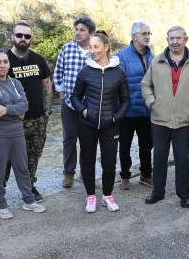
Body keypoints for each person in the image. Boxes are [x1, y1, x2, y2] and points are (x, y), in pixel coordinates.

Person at [141, 25, 189, 208]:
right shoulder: (157, 62)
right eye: (171, 38)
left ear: (185, 39)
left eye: (178, 38)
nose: (175, 42)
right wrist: (152, 103)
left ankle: (185, 195)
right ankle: (158, 192)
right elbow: (145, 85)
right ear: (167, 40)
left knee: (182, 159)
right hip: (159, 119)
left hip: (183, 120)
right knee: (159, 158)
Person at [70, 31, 131, 212]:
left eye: (96, 47)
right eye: (90, 47)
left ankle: (107, 196)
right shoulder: (85, 71)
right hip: (87, 124)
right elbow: (74, 96)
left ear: (106, 47)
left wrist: (116, 117)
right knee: (87, 161)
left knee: (109, 161)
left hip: (110, 125)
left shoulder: (119, 73)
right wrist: (84, 110)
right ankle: (90, 197)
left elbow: (126, 100)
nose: (93, 51)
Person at [0, 49, 46, 219]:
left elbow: (25, 106)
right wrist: (15, 111)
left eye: (5, 62)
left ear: (9, 64)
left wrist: (7, 109)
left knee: (22, 168)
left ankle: (28, 200)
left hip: (17, 133)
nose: (3, 65)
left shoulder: (16, 84)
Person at [1, 22, 53, 204]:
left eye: (27, 36)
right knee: (5, 157)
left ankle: (29, 186)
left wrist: (47, 111)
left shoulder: (38, 60)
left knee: (33, 155)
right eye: (19, 35)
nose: (23, 39)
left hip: (37, 119)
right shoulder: (3, 60)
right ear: (12, 37)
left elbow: (46, 84)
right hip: (12, 120)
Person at [53, 16, 96, 189]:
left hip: (89, 104)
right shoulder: (67, 48)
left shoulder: (96, 50)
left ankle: (86, 173)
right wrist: (62, 96)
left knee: (88, 140)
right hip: (69, 103)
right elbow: (58, 72)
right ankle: (69, 173)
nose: (78, 33)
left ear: (91, 33)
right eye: (76, 29)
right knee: (69, 139)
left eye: (82, 30)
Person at [116, 22, 155, 191]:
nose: (147, 36)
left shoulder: (152, 56)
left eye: (149, 33)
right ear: (134, 36)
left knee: (147, 144)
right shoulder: (122, 56)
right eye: (143, 33)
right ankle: (125, 176)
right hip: (128, 111)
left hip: (147, 110)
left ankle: (146, 175)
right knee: (124, 146)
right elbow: (118, 84)